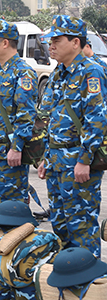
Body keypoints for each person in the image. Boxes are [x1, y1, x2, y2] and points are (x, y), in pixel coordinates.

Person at [38, 15, 106, 258]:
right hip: (58, 160)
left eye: (57, 40)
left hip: (77, 161)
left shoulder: (91, 72)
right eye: (50, 40)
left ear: (75, 42)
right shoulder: (59, 74)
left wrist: (85, 160)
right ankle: (68, 280)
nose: (50, 45)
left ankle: (89, 284)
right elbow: (52, 119)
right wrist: (46, 156)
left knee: (82, 225)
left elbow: (96, 119)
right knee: (60, 224)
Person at [0, 18, 38, 219]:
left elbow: (26, 114)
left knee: (12, 210)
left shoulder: (23, 72)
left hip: (8, 153)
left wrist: (17, 147)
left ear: (5, 43)